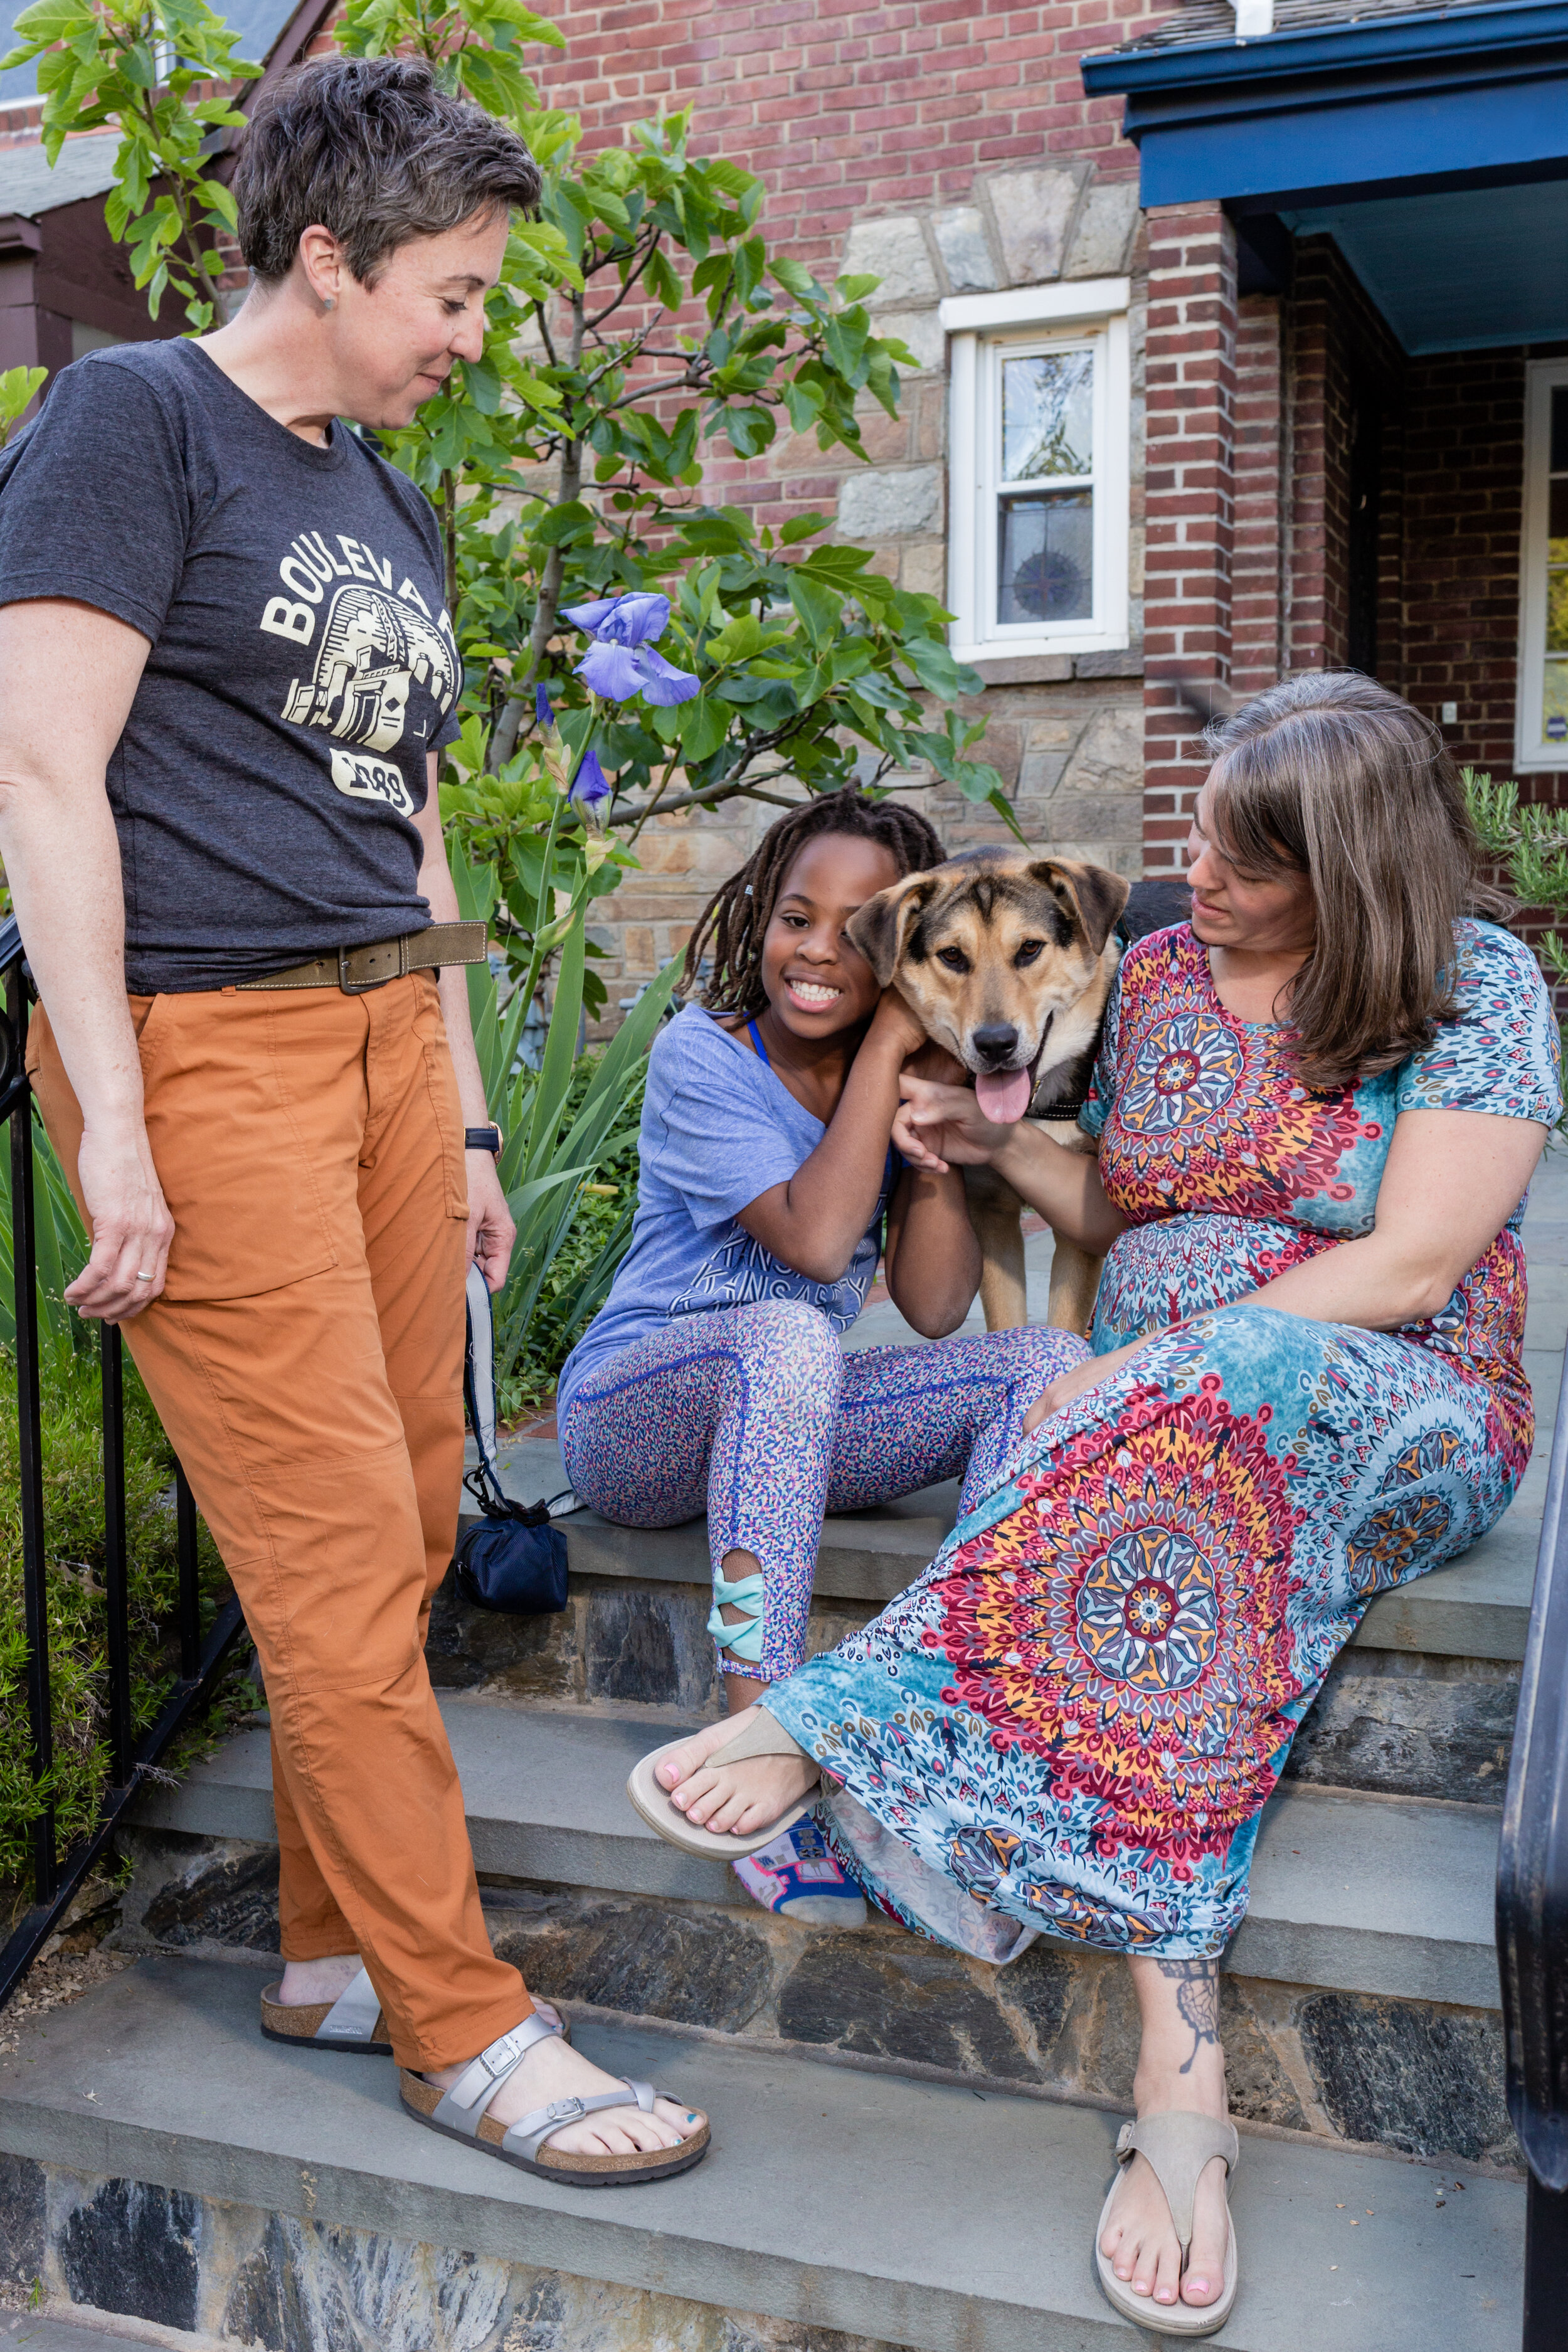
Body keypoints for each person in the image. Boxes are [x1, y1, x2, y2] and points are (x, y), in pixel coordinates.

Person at [635, 673, 1562, 2323]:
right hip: (1153, 1438)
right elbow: (1118, 1194)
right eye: (1194, 836)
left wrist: (1145, 1367)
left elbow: (1414, 1256)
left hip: (1390, 1394)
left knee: (1200, 1420)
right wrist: (982, 1149)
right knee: (1173, 1532)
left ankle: (839, 1713)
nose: (1188, 873)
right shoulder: (1146, 974)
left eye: (1238, 860)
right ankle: (1175, 2083)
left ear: (1344, 869)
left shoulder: (1469, 983)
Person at [0, 55, 706, 2186]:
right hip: (207, 1054)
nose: (474, 336)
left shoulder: (380, 492)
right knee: (324, 1568)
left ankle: (324, 1953)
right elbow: (44, 778)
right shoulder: (130, 423)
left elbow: (396, 823)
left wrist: (475, 1122)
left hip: (392, 1051)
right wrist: (114, 1125)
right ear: (329, 255)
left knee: (402, 1526)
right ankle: (461, 2023)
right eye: (460, 295)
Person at [558, 789, 1083, 1923]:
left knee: (1039, 1360)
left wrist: (938, 1130)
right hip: (631, 1420)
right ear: (761, 917)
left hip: (786, 1418)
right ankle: (757, 1732)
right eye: (797, 916)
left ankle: (959, 1733)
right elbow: (812, 1240)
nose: (819, 950)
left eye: (856, 930)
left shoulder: (904, 1078)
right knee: (791, 1333)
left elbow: (937, 1307)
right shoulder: (701, 1056)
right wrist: (898, 1034)